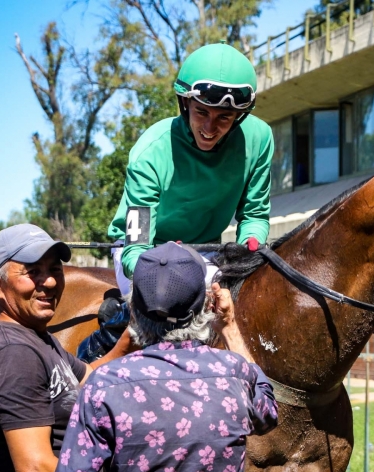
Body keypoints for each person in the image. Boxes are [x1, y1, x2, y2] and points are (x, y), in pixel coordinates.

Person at [41, 242, 278, 472]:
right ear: (206, 306)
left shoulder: (104, 385)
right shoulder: (236, 373)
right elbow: (267, 414)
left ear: (133, 308)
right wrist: (228, 327)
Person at [80, 42, 274, 363]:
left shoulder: (259, 138)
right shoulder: (150, 152)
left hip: (209, 250)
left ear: (240, 116)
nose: (210, 128)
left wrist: (247, 255)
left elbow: (254, 216)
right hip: (146, 250)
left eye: (224, 117)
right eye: (202, 112)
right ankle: (102, 346)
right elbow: (135, 250)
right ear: (185, 103)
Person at [0, 224, 126, 472]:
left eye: (54, 269)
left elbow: (88, 376)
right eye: (32, 271)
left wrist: (132, 336)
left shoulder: (36, 339)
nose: (49, 281)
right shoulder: (11, 353)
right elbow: (36, 470)